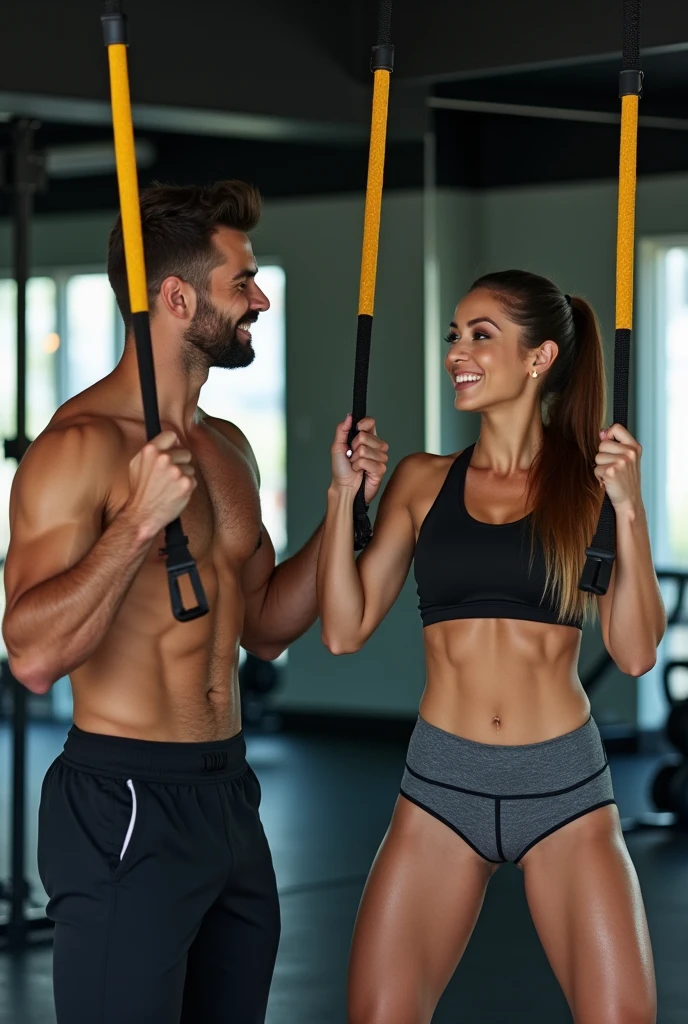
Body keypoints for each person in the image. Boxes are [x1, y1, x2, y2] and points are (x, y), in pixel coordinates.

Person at [1, 179, 388, 1024]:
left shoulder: (229, 449)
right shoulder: (76, 450)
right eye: (241, 281)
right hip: (125, 800)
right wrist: (136, 525)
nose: (261, 297)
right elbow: (31, 657)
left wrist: (339, 509)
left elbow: (267, 628)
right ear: (176, 298)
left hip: (229, 798)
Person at [317, 270, 665, 1024]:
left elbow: (635, 654)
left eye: (481, 336)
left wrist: (630, 512)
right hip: (442, 783)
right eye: (454, 335)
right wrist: (344, 496)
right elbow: (343, 631)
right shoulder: (420, 481)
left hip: (564, 786)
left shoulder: (592, 486)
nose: (457, 352)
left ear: (540, 358)